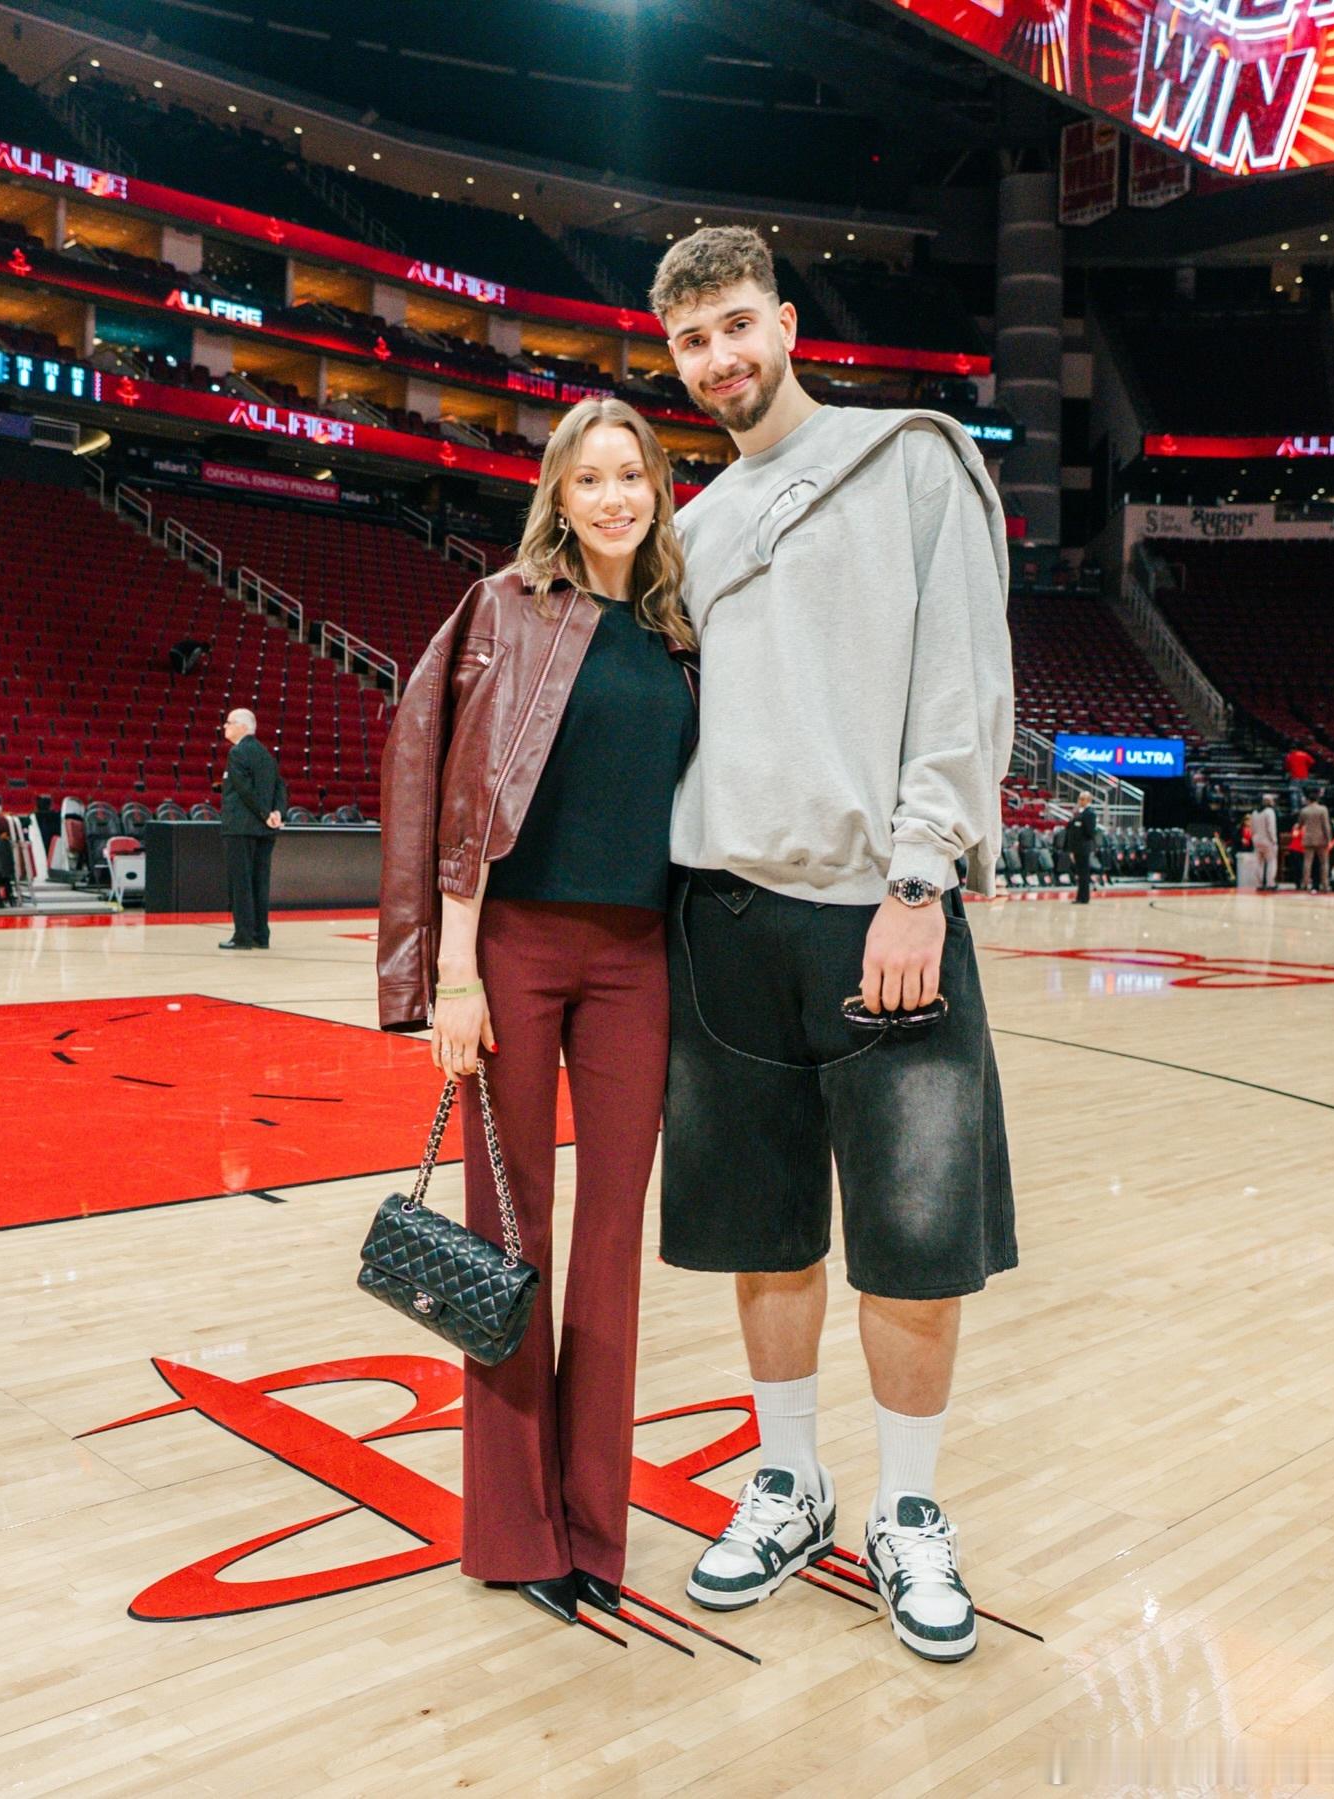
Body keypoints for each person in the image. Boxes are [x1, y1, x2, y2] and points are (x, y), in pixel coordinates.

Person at [649, 227, 1015, 1664]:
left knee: (913, 1245)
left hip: (885, 910)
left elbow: (962, 676)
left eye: (738, 325)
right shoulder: (691, 529)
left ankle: (908, 1510)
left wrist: (922, 875)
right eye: (692, 341)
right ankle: (790, 1481)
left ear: (788, 322)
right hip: (725, 916)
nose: (720, 358)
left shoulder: (910, 457)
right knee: (766, 1230)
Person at [375, 398, 697, 1628]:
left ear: (658, 490)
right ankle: (516, 1531)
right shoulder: (506, 608)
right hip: (513, 948)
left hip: (637, 956)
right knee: (509, 1238)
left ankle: (594, 1526)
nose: (614, 497)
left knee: (611, 1239)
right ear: (558, 494)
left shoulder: (678, 631)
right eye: (591, 478)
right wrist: (454, 975)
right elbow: (462, 794)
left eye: (633, 476)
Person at [219, 708, 286, 950]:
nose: (225, 726)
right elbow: (280, 786)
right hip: (264, 830)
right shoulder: (265, 754)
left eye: (229, 722)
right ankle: (261, 934)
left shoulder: (238, 753)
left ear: (243, 727)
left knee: (242, 883)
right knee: (260, 882)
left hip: (241, 828)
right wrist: (277, 812)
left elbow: (245, 790)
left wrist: (265, 813)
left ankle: (243, 936)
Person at [1298, 789, 1333, 893]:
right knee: (1324, 863)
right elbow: (1326, 826)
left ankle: (1305, 884)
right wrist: (1329, 839)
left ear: (1308, 800)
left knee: (1307, 863)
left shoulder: (1304, 811)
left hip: (1308, 839)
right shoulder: (1323, 810)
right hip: (1321, 839)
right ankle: (1325, 884)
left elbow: (1300, 825)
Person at [1067, 791, 1097, 904]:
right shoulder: (1078, 813)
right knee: (1080, 873)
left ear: (1088, 800)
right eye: (1079, 799)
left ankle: (1084, 897)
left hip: (1083, 847)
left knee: (1084, 873)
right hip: (1077, 847)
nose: (1080, 801)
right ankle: (1080, 896)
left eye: (1082, 799)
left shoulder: (1090, 813)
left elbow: (1090, 832)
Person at [1250, 793, 1279, 892]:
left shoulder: (1254, 812)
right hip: (1267, 840)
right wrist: (1274, 840)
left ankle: (1259, 883)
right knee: (1271, 861)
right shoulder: (1269, 812)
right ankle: (1271, 883)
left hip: (1256, 839)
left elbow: (1252, 828)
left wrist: (1253, 838)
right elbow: (1271, 828)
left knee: (1258, 863)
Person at [1284, 746, 1314, 816]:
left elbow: (1286, 767)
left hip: (1294, 776)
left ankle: (1295, 809)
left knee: (1294, 792)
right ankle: (1304, 809)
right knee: (1302, 792)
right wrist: (1306, 767)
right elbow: (1312, 762)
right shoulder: (1304, 754)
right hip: (1304, 776)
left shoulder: (1289, 755)